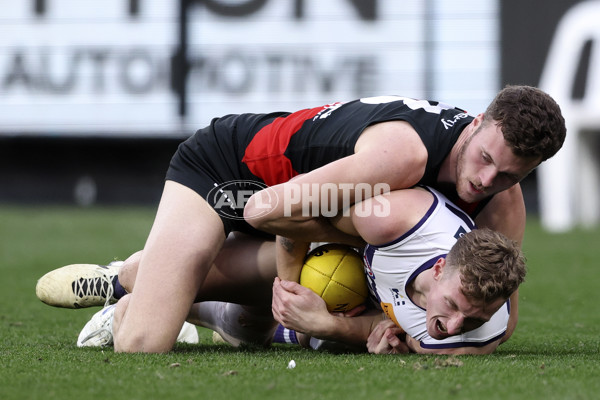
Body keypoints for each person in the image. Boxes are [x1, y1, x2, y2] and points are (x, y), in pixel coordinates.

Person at [38, 85, 565, 353]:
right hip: (233, 176)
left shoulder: (502, 203)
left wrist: (360, 328)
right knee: (145, 343)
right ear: (477, 123)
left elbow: (496, 318)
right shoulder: (402, 160)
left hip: (321, 216)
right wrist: (294, 300)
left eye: (508, 174)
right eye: (485, 159)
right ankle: (130, 279)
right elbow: (268, 209)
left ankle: (187, 294)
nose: (485, 181)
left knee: (253, 330)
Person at [38, 186, 526, 355]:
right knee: (161, 273)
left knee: (250, 330)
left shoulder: (476, 330)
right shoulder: (399, 218)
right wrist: (290, 289)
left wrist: (332, 325)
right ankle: (119, 279)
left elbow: (415, 337)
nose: (454, 327)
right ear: (439, 268)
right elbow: (294, 212)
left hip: (355, 293)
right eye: (458, 309)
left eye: (475, 320)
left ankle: (176, 312)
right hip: (313, 237)